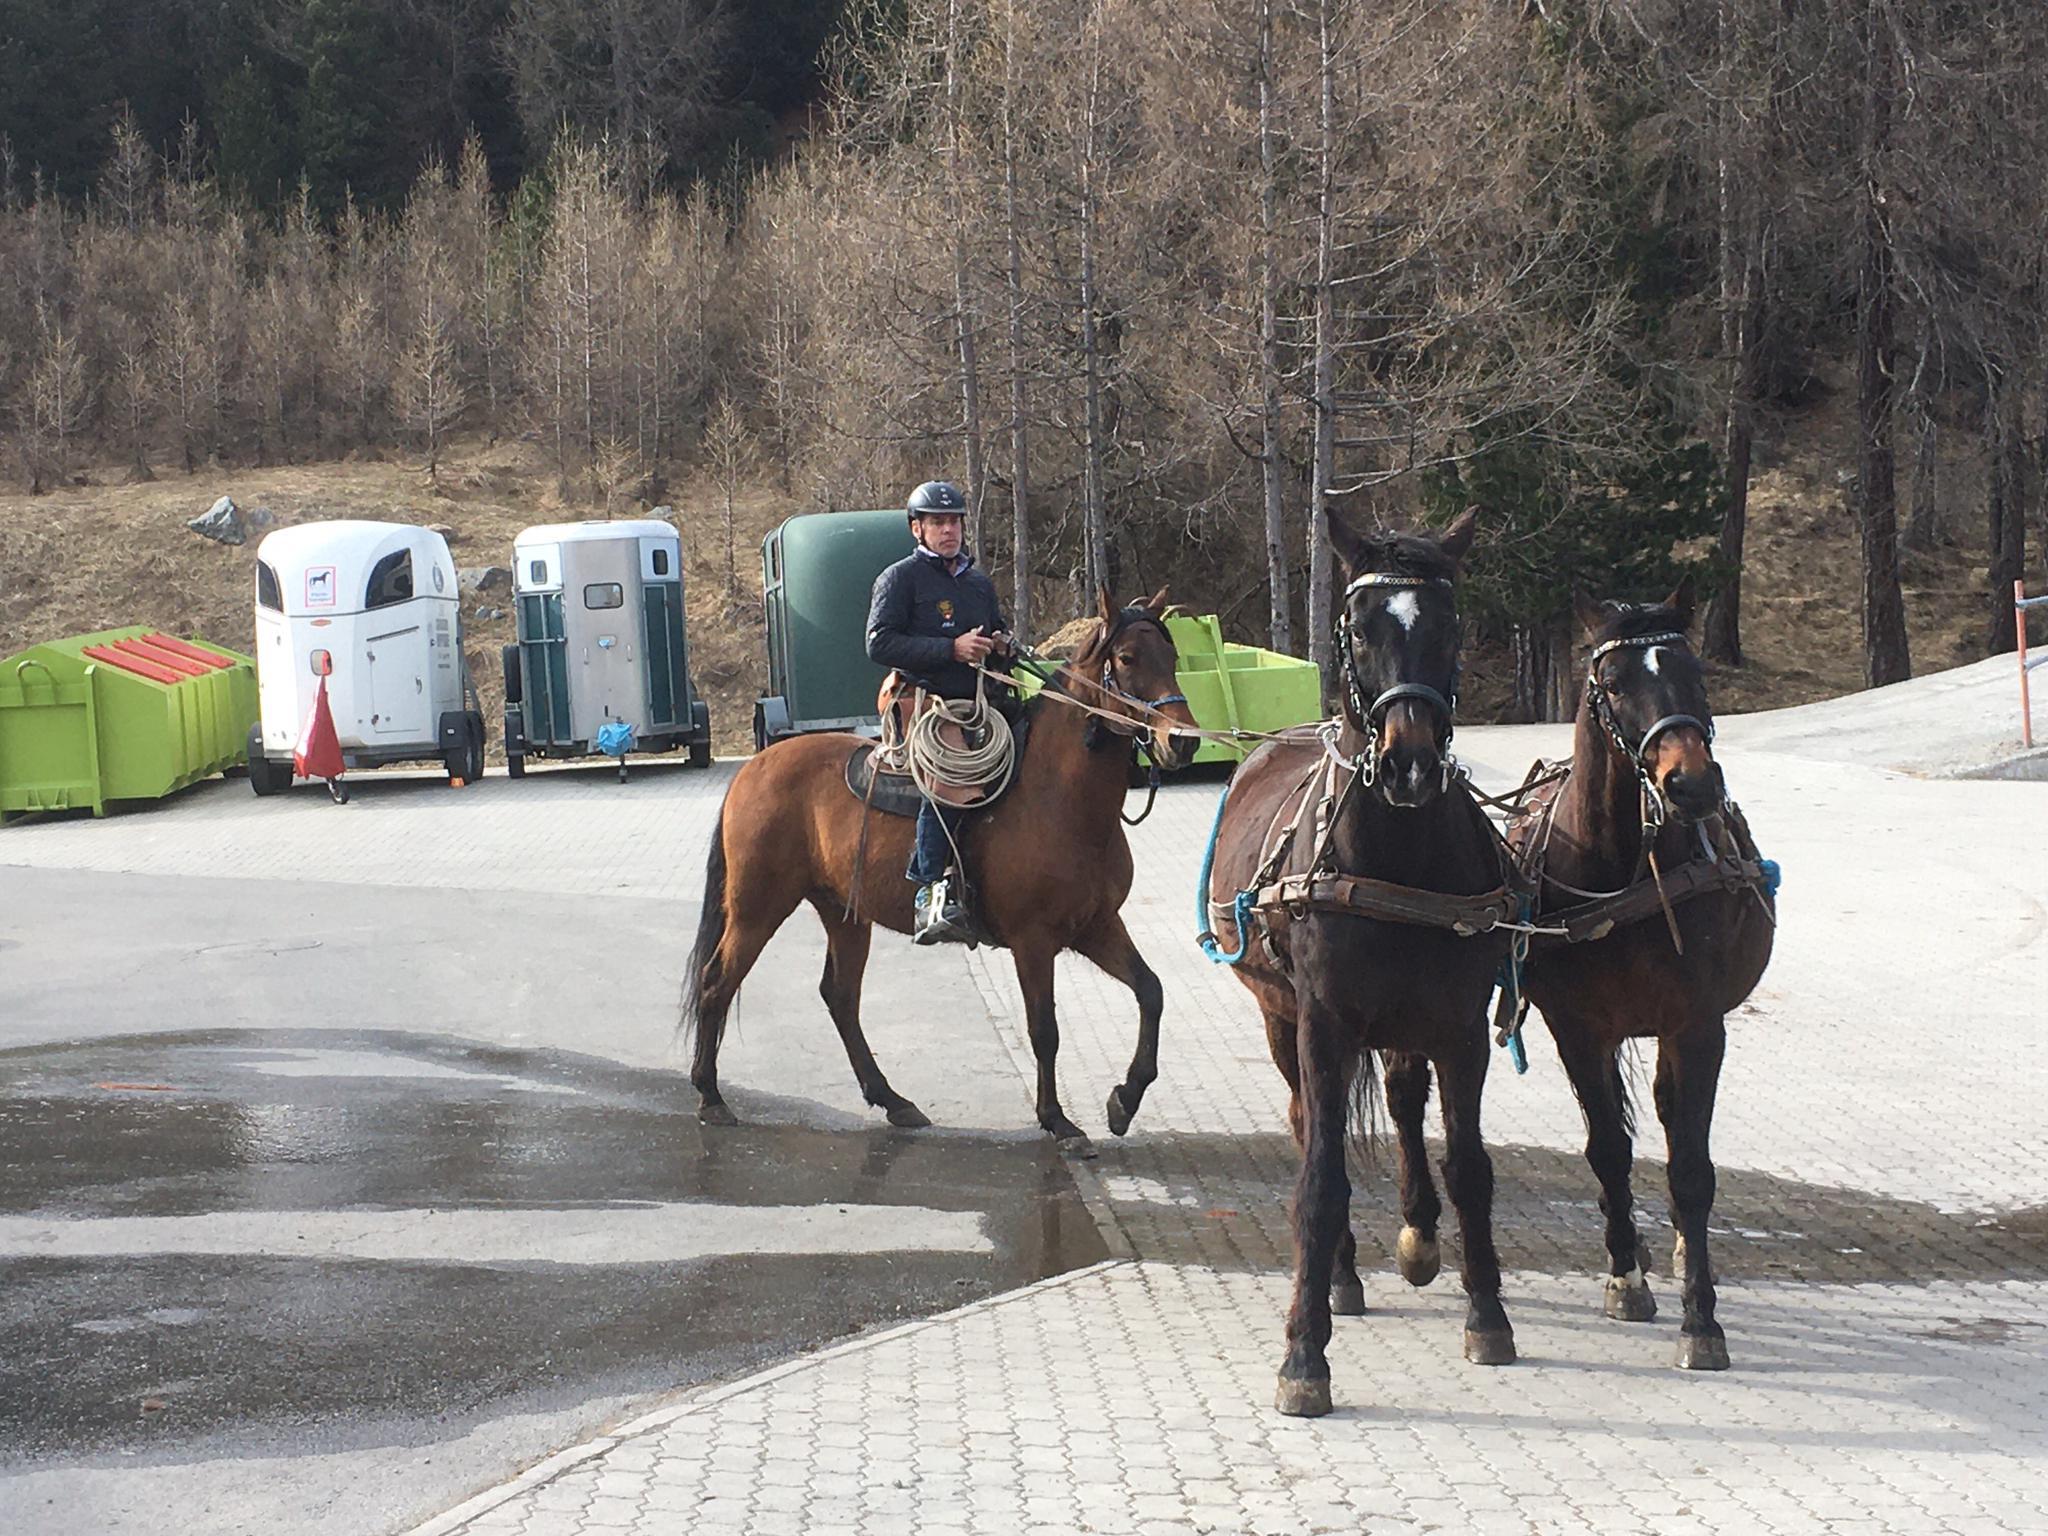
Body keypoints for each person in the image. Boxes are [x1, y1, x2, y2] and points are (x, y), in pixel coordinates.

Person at [865, 480, 1011, 945]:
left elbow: (997, 632)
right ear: (917, 529)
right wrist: (951, 648)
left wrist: (1003, 645)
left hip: (978, 701)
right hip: (922, 698)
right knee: (953, 772)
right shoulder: (899, 578)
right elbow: (879, 642)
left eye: (955, 522)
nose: (949, 530)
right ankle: (929, 890)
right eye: (938, 522)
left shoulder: (977, 582)